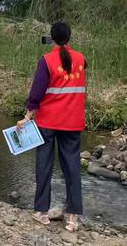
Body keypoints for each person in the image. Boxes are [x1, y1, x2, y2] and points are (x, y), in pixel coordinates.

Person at [17, 21, 87, 232]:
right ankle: (73, 218)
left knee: (44, 166)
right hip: (73, 122)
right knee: (72, 168)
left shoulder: (47, 60)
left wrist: (28, 116)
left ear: (52, 37)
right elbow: (76, 65)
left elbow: (37, 93)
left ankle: (42, 213)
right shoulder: (82, 58)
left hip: (48, 122)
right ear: (70, 37)